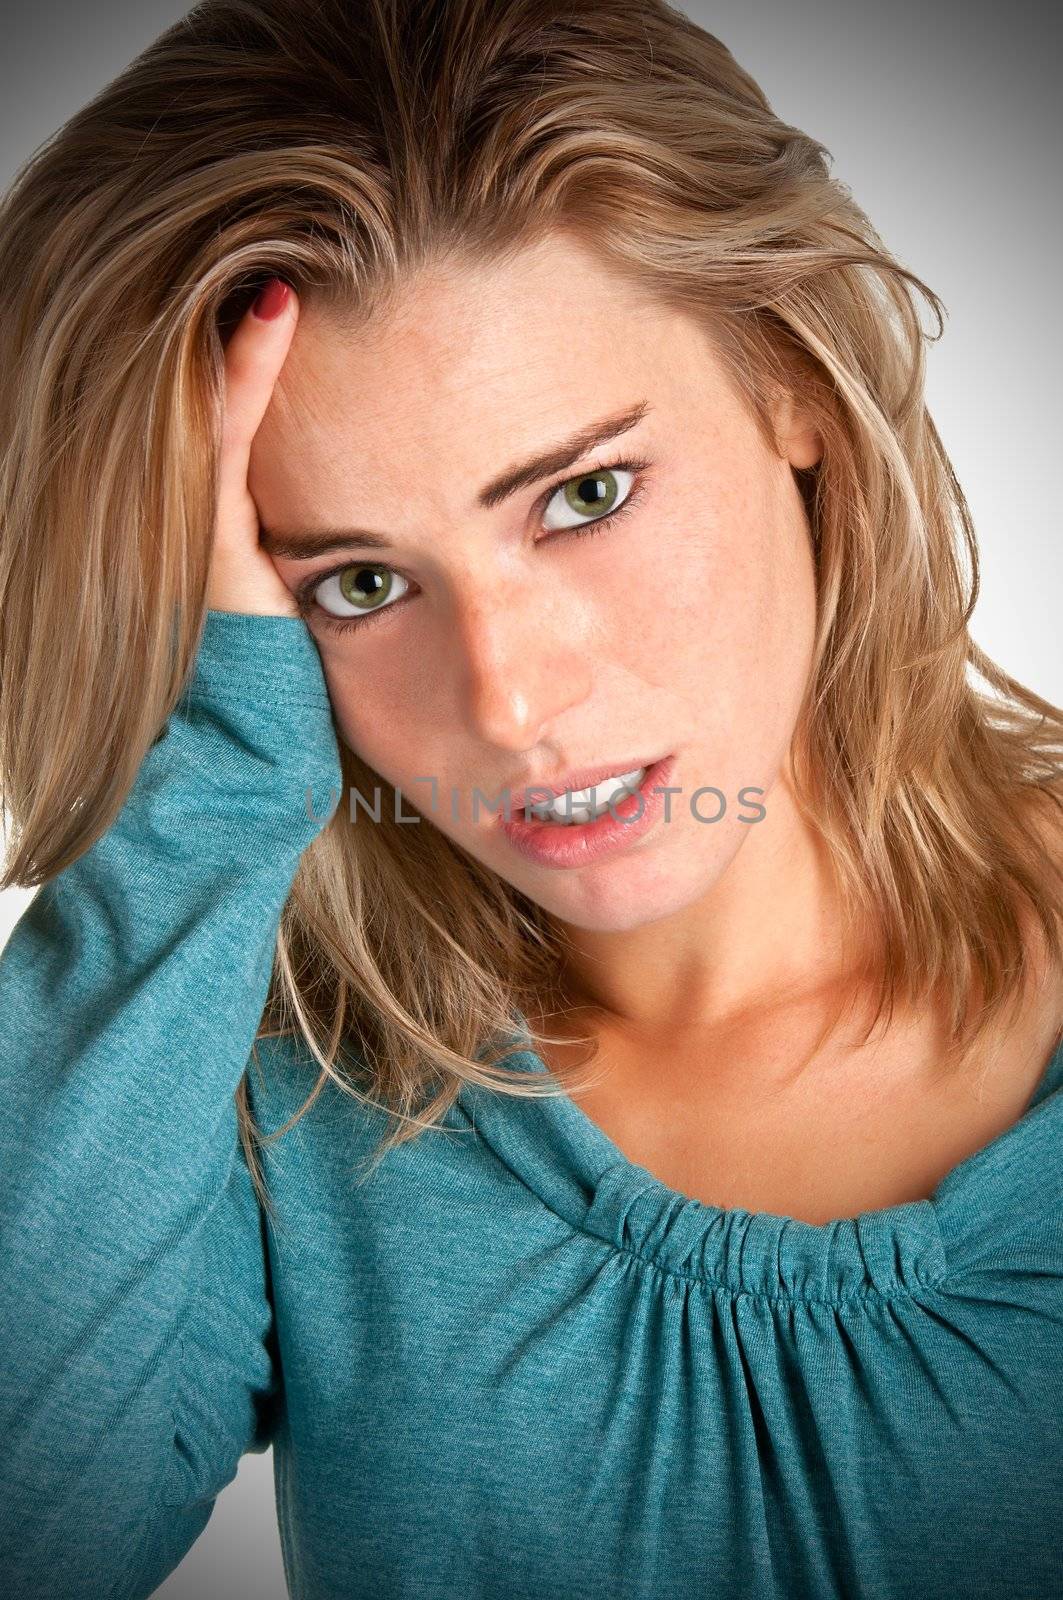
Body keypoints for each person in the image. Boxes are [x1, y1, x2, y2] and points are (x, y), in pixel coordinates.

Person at [0, 1, 1060, 1596]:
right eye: (359, 581)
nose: (507, 701)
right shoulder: (268, 1092)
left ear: (794, 386)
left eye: (584, 495)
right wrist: (209, 773)